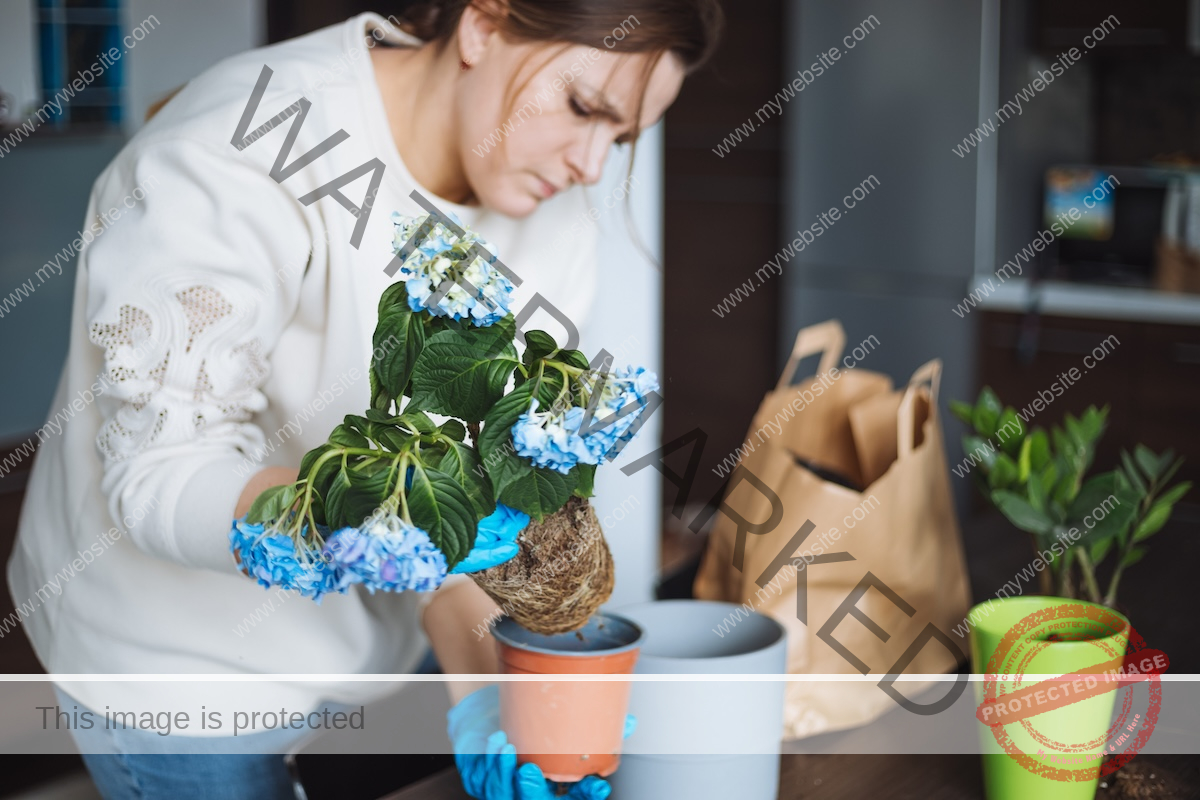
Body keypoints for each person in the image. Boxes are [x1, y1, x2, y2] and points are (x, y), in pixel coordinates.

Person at [6, 1, 721, 797]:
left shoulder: (550, 222)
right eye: (585, 108)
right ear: (485, 25)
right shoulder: (237, 149)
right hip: (179, 666)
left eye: (620, 139)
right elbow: (163, 472)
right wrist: (356, 511)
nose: (592, 165)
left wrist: (489, 685)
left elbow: (455, 528)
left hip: (370, 644)